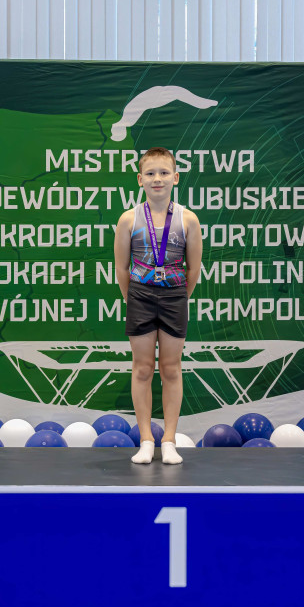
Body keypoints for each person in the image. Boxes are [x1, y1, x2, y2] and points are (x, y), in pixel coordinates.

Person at [113, 147, 203, 465]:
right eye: (150, 173)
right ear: (140, 179)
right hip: (140, 295)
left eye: (164, 173)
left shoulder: (188, 219)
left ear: (175, 178)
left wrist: (178, 295)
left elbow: (194, 269)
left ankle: (169, 441)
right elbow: (121, 268)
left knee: (171, 368)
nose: (157, 179)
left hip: (175, 296)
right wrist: (134, 297)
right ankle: (146, 440)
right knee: (142, 368)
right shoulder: (128, 219)